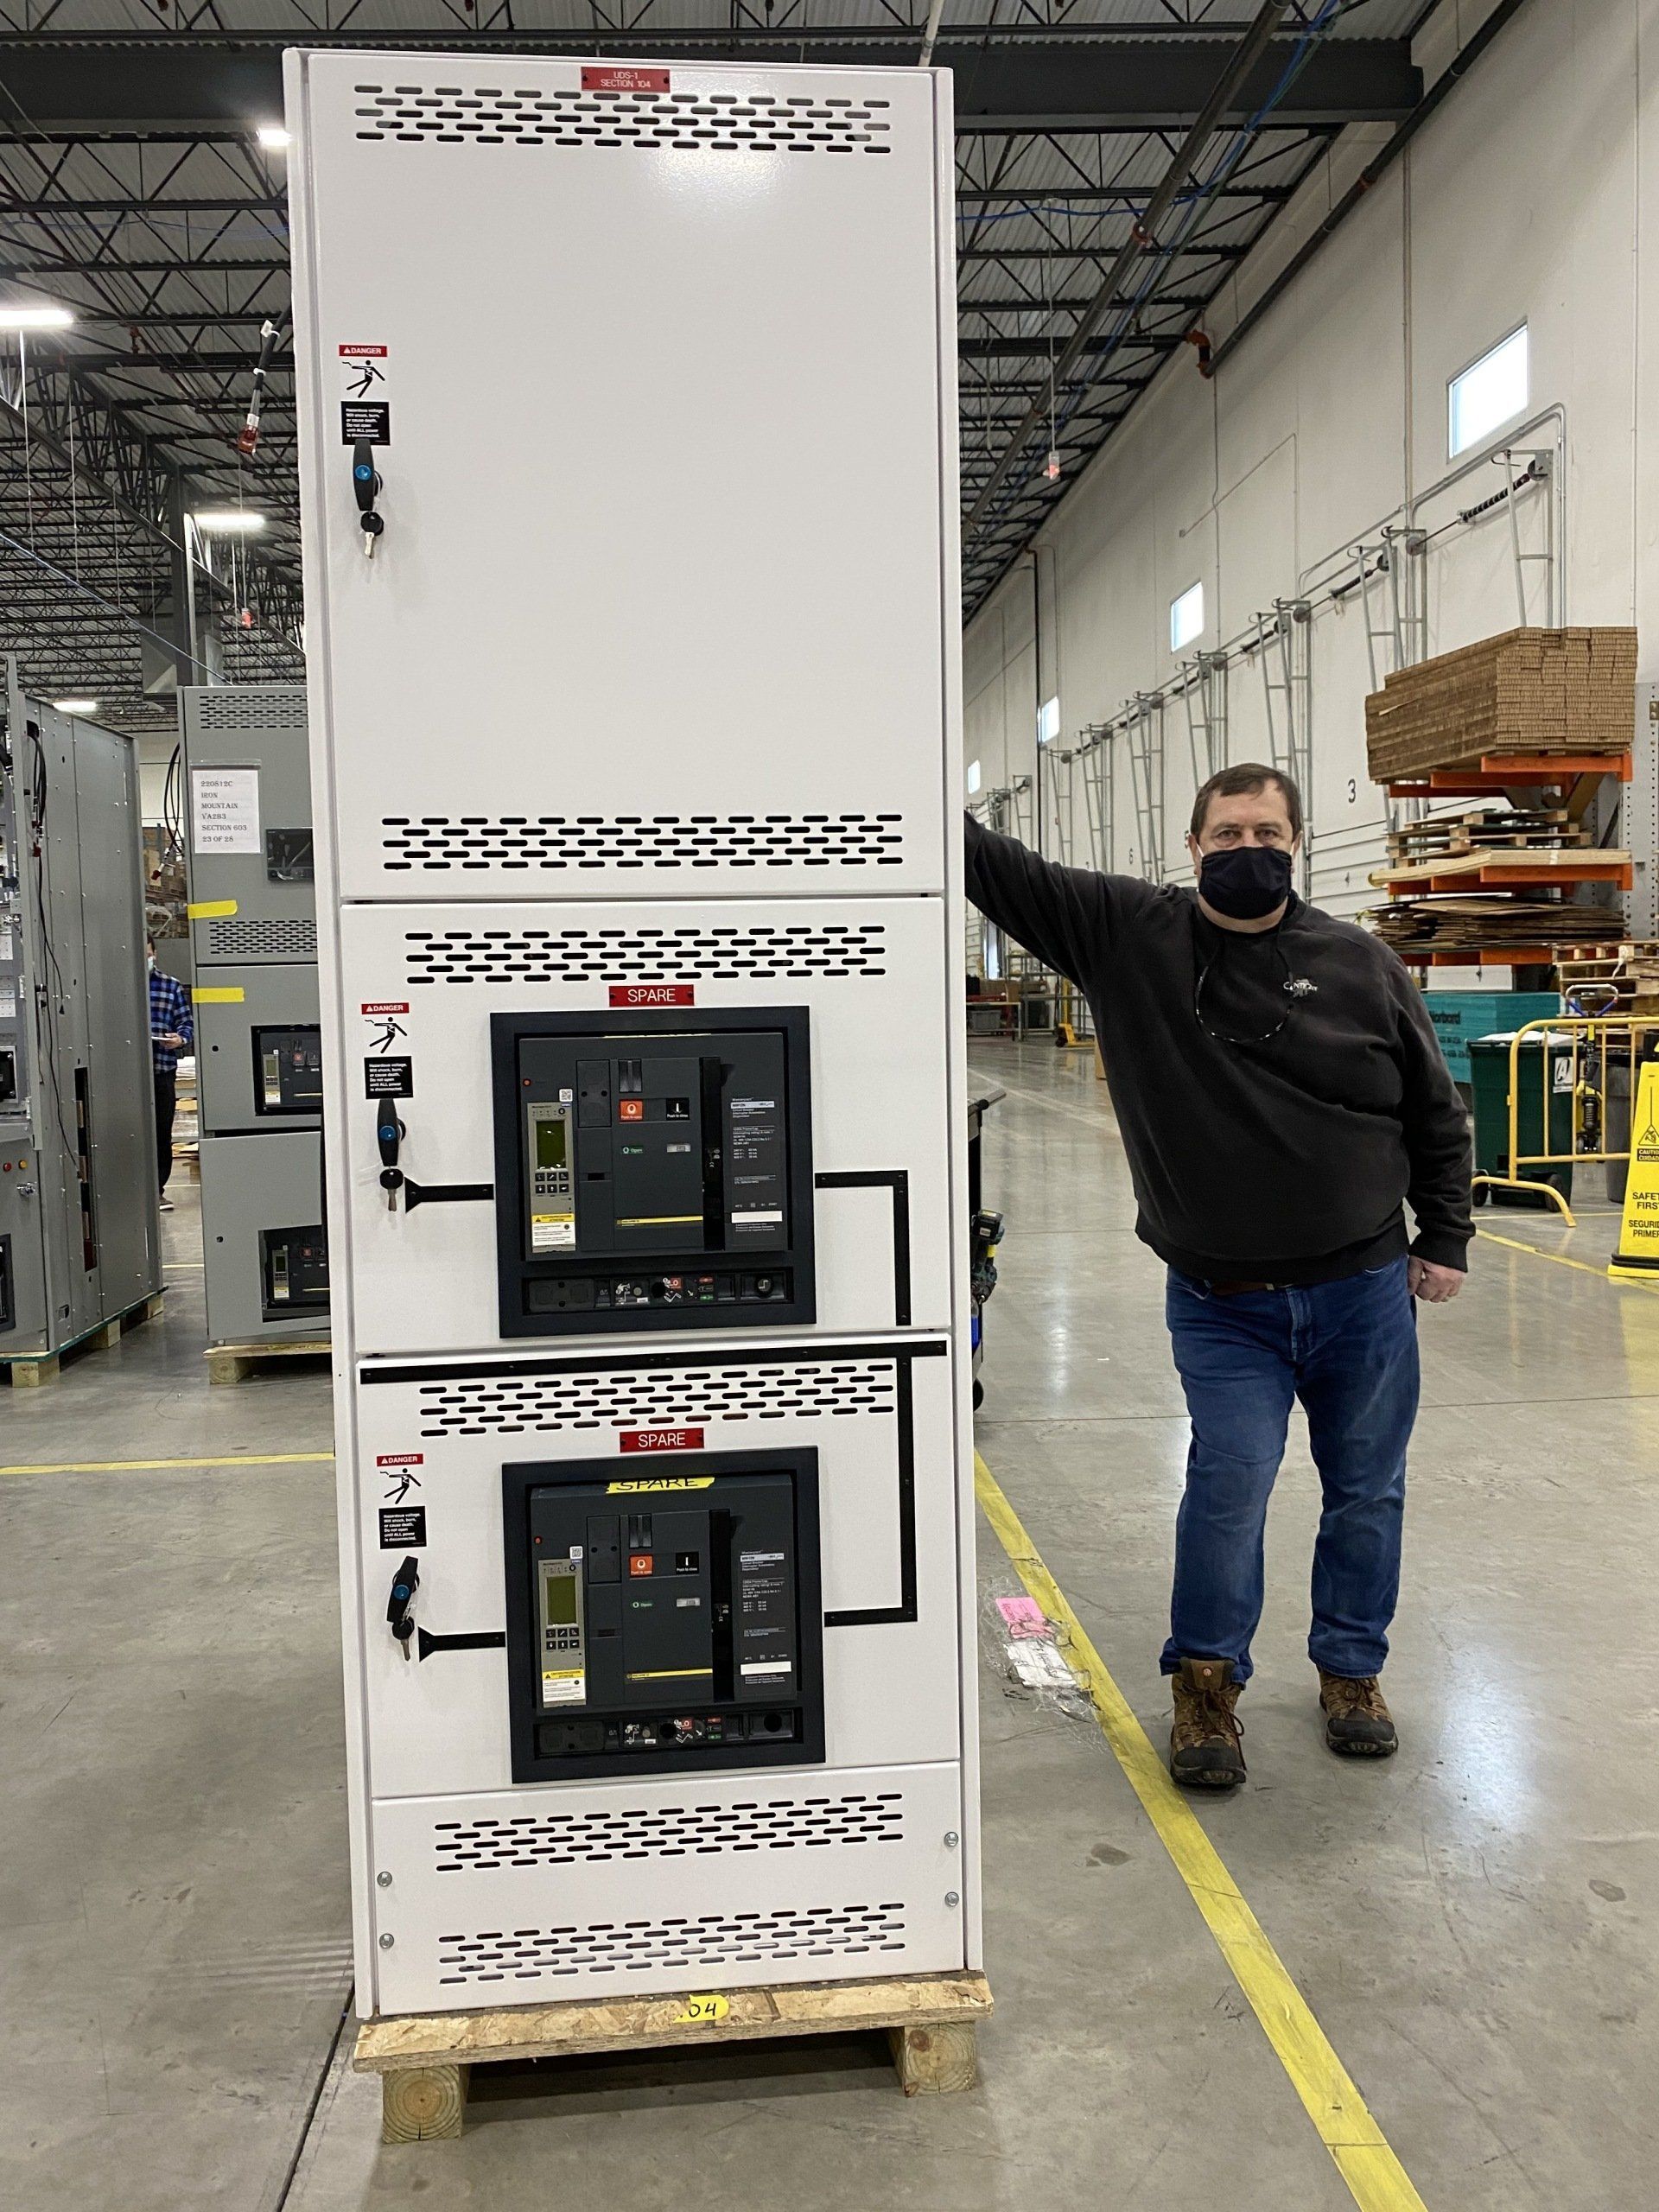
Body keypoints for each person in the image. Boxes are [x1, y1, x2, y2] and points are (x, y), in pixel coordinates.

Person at [965, 764, 1471, 1789]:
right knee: (1228, 1486)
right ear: (1193, 847)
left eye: (1271, 830)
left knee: (1368, 1490)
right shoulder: (1125, 935)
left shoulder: (1363, 964)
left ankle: (1351, 1672)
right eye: (1231, 831)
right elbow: (993, 867)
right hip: (1221, 1301)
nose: (1253, 846)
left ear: (1298, 843)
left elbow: (1433, 1108)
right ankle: (1206, 1686)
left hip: (1362, 1292)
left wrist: (1445, 1235)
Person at [147, 937, 193, 1213]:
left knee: (161, 1134)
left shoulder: (170, 986)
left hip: (162, 1069)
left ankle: (158, 1191)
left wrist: (179, 1039)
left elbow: (186, 1023)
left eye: (149, 954)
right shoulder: (117, 985)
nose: (146, 960)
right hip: (124, 1076)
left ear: (155, 954)